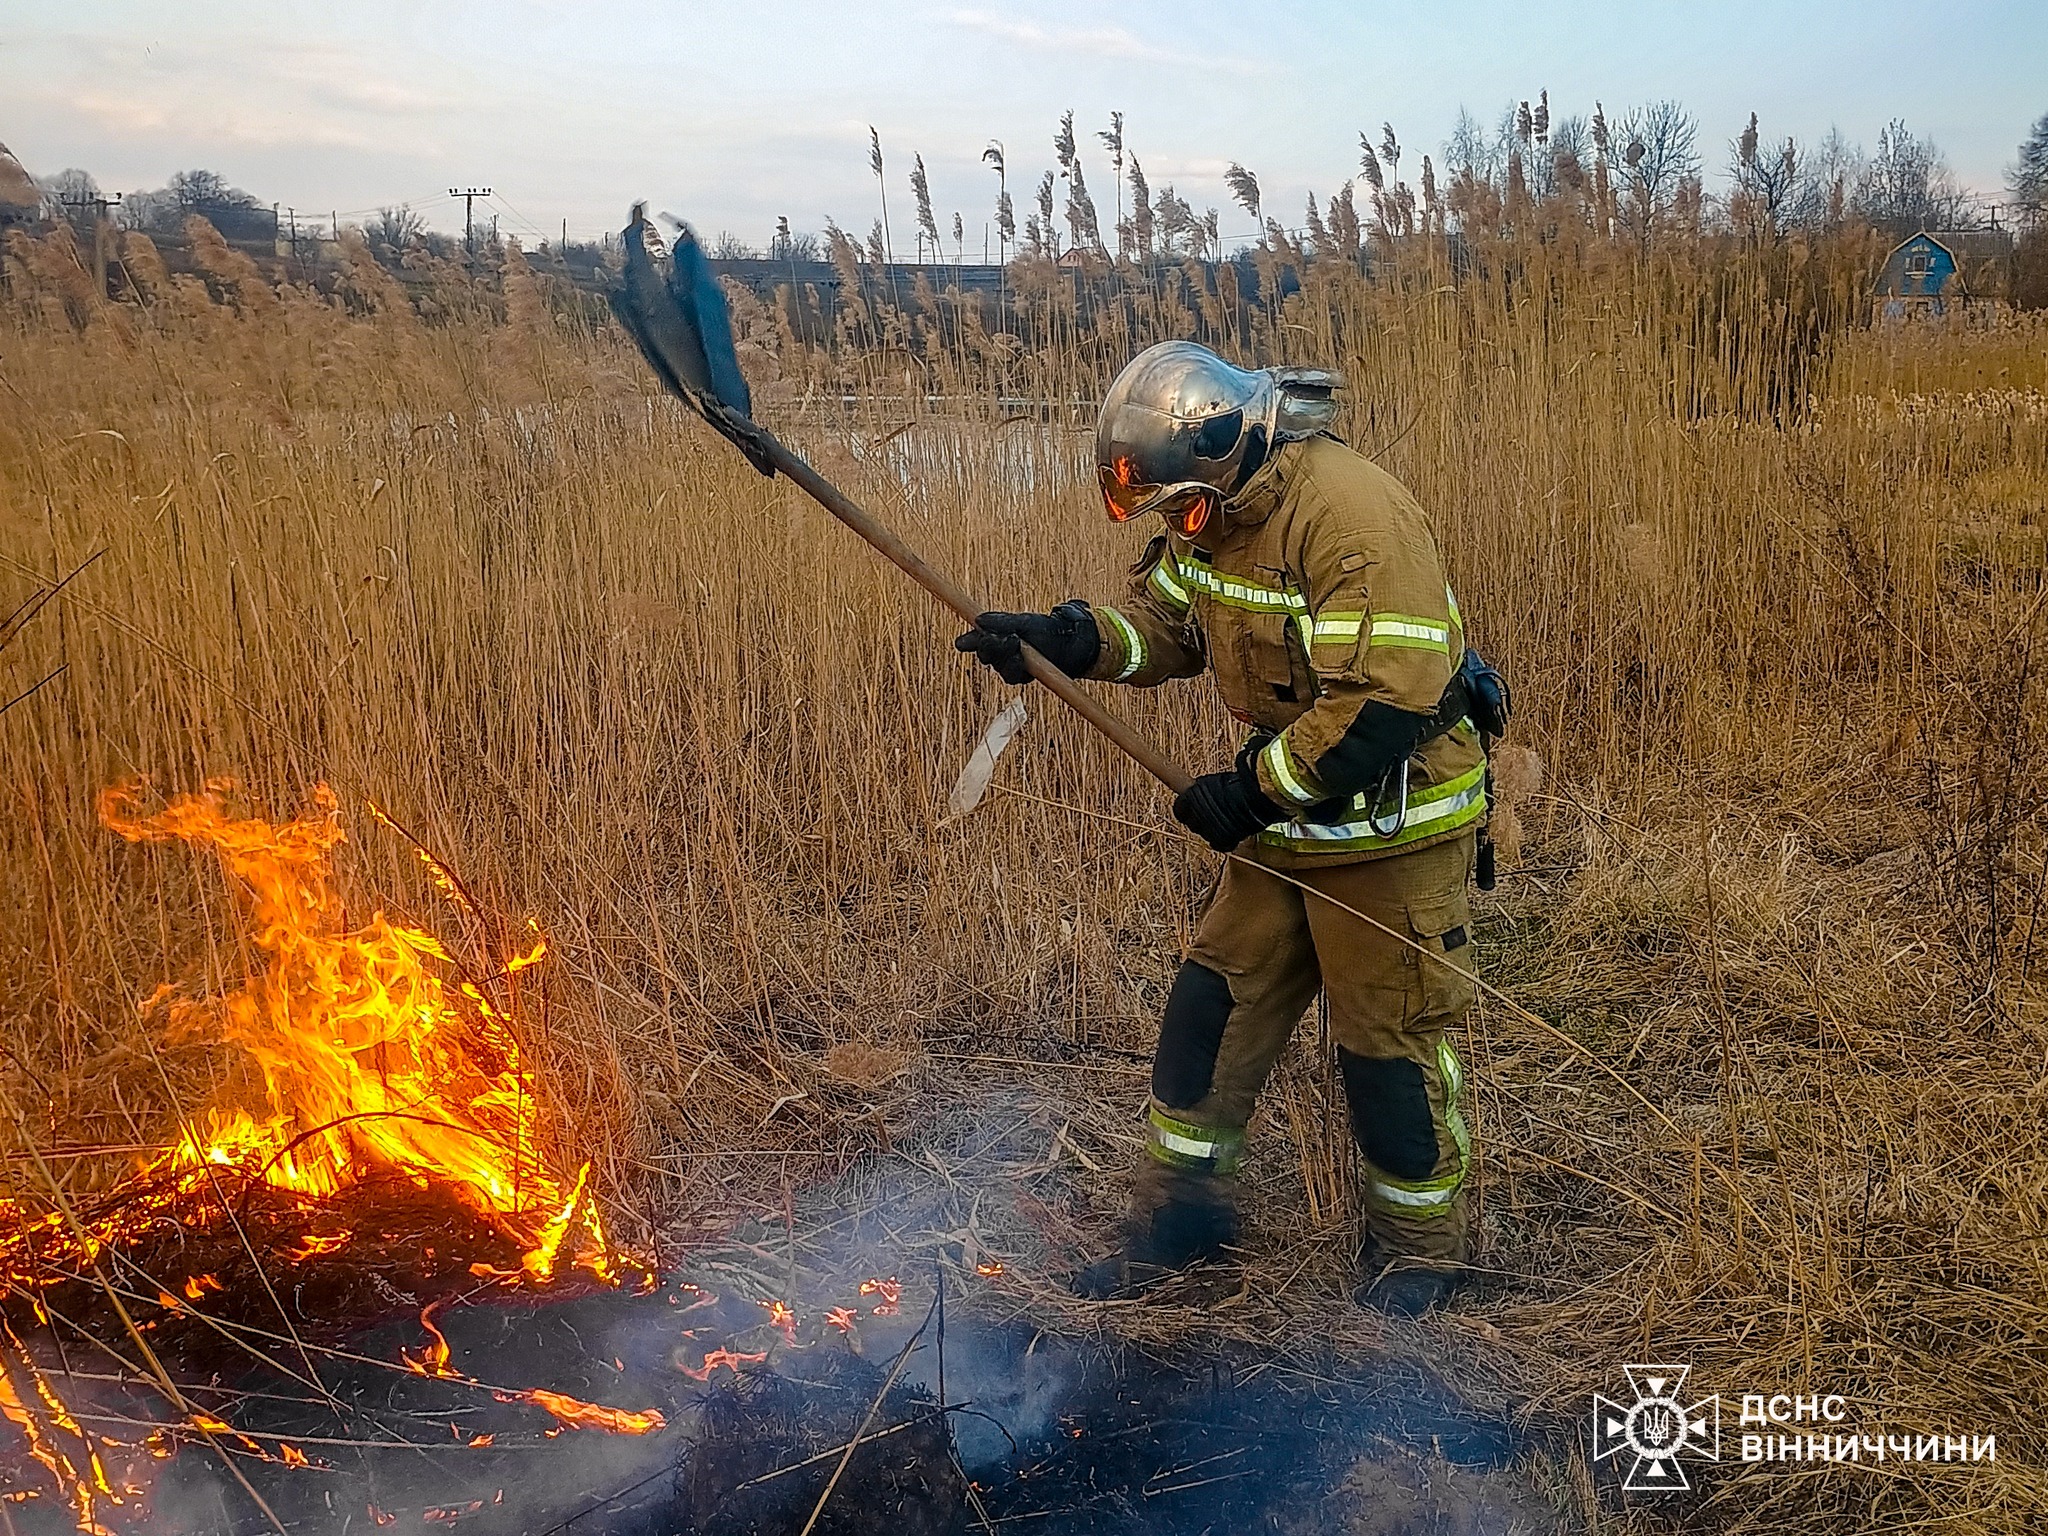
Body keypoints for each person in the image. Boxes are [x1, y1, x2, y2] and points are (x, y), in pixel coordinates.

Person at [956, 341, 1503, 1316]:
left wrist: (1252, 792)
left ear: (1226, 452)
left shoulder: (1347, 511)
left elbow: (1384, 700)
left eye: (1182, 507)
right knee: (1208, 1016)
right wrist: (1063, 639)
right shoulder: (1211, 517)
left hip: (1391, 829)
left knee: (1389, 1058)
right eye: (1168, 515)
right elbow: (1161, 625)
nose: (1180, 529)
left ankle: (1418, 1258)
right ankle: (1181, 1222)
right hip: (1289, 831)